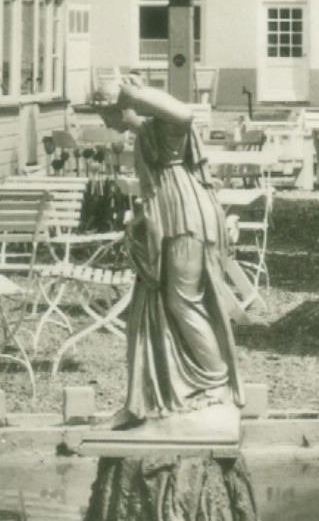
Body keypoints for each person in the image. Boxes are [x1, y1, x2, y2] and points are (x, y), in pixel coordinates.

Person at [93, 74, 243, 439]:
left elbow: (184, 114)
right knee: (149, 305)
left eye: (105, 111)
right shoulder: (146, 133)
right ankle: (143, 401)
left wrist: (135, 93)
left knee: (183, 301)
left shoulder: (164, 129)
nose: (104, 120)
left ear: (125, 106)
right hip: (168, 218)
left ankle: (213, 384)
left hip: (185, 218)